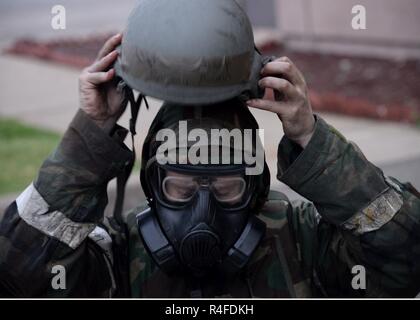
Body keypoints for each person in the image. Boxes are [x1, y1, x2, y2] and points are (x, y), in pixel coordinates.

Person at [1, 33, 420, 298]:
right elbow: (20, 274)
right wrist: (89, 139)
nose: (203, 211)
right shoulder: (118, 256)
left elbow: (407, 256)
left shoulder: (301, 243)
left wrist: (310, 136)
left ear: (255, 188)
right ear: (152, 186)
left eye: (226, 189)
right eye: (181, 189)